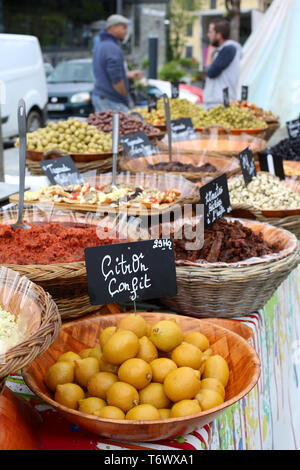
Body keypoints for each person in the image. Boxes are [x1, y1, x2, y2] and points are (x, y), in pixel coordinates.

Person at [92, 14, 143, 113]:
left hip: (101, 97)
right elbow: (116, 78)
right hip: (111, 100)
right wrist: (125, 97)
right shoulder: (112, 48)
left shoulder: (101, 45)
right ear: (114, 27)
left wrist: (129, 74)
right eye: (124, 27)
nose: (126, 31)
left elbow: (106, 71)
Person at [203, 19, 242, 110]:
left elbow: (211, 72)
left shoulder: (228, 49)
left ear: (219, 35)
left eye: (211, 32)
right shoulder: (222, 50)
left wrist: (209, 54)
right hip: (217, 101)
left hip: (220, 102)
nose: (209, 35)